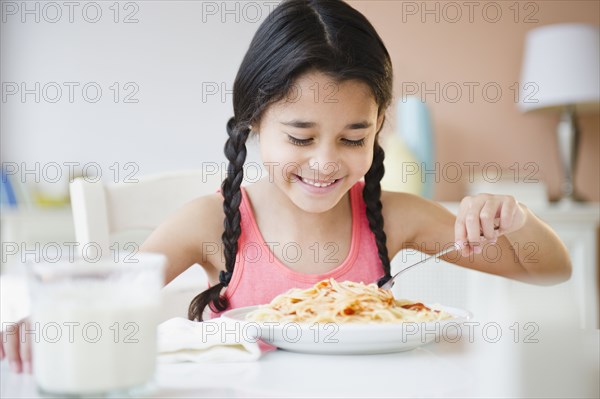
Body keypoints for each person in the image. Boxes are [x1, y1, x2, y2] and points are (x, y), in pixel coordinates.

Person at [1, 0, 571, 373]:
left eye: (353, 139)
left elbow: (550, 268)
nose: (325, 163)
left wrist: (515, 219)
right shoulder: (210, 224)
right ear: (253, 124)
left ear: (377, 130)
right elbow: (112, 293)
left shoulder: (394, 217)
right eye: (300, 137)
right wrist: (51, 321)